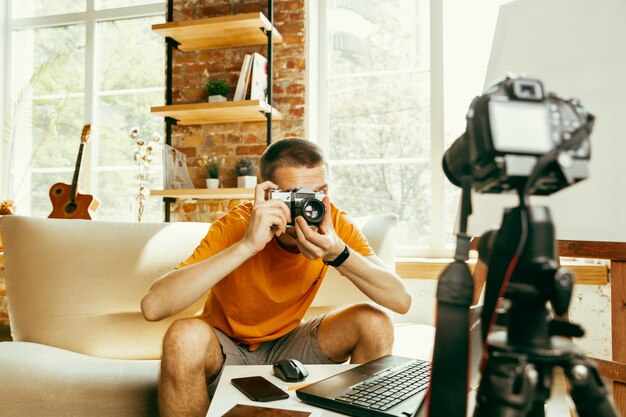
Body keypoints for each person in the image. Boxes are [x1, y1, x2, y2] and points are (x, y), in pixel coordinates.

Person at [141, 138, 412, 417]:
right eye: (293, 198)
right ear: (268, 194)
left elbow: (401, 300)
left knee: (373, 322)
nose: (305, 210)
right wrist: (247, 245)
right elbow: (153, 307)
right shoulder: (238, 224)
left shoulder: (334, 225)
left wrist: (337, 253)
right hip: (227, 346)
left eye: (314, 195)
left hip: (290, 342)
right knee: (182, 336)